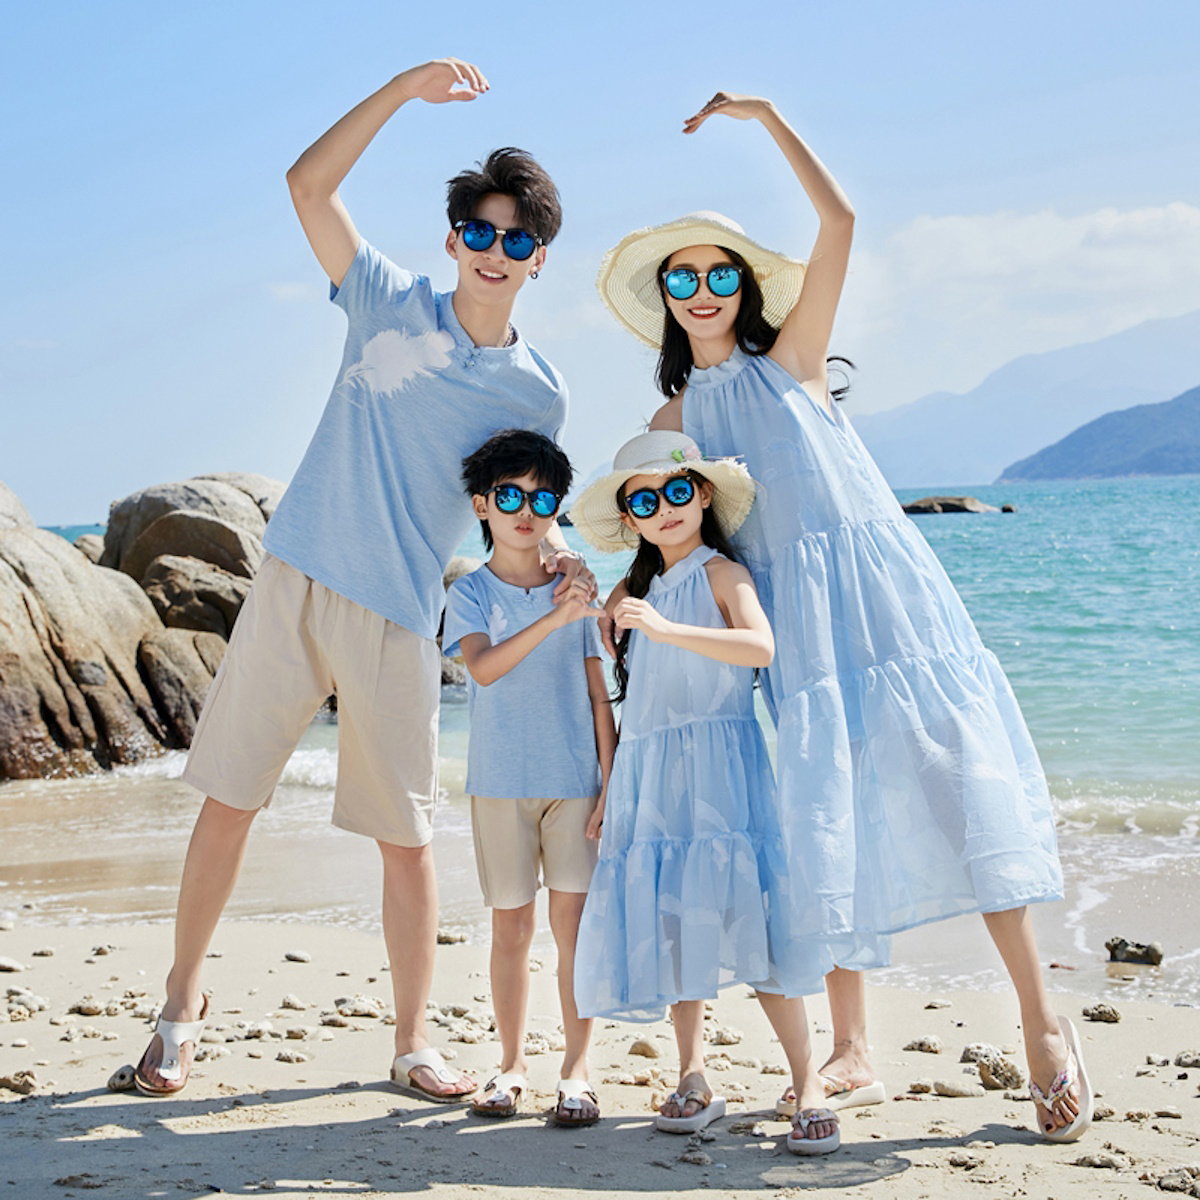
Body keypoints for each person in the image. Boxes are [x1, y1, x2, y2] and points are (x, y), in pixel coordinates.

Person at [592, 92, 1092, 1143]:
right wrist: (599, 591)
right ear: (663, 300)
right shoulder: (672, 421)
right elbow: (641, 512)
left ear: (742, 286)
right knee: (830, 814)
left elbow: (843, 225)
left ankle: (1045, 1023)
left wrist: (767, 118)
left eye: (717, 273)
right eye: (680, 279)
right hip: (792, 632)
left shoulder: (794, 363)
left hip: (883, 599)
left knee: (964, 792)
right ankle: (854, 1051)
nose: (699, 292)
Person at [133, 58, 593, 1104]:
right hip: (295, 578)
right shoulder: (387, 298)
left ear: (540, 259)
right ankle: (176, 1013)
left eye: (514, 238)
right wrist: (402, 90)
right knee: (228, 801)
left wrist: (561, 559)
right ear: (453, 240)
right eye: (477, 231)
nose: (492, 251)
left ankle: (414, 1042)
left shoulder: (539, 391)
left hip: (398, 613)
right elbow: (307, 184)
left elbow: (520, 505)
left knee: (406, 839)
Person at [569, 430, 841, 1155]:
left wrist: (664, 626)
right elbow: (620, 693)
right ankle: (694, 1074)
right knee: (676, 916)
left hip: (723, 759)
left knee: (757, 917)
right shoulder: (634, 590)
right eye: (646, 500)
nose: (665, 509)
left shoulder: (723, 574)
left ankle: (808, 1081)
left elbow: (760, 649)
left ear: (704, 494)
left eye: (677, 491)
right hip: (654, 771)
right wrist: (609, 788)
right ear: (630, 518)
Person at [442, 429, 616, 1125]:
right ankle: (510, 1064)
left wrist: (611, 782)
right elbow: (481, 669)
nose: (526, 510)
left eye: (542, 497)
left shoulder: (575, 588)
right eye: (509, 495)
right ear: (482, 504)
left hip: (574, 784)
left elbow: (599, 694)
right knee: (510, 931)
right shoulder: (473, 592)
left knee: (572, 930)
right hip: (500, 785)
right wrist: (554, 618)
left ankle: (577, 1069)